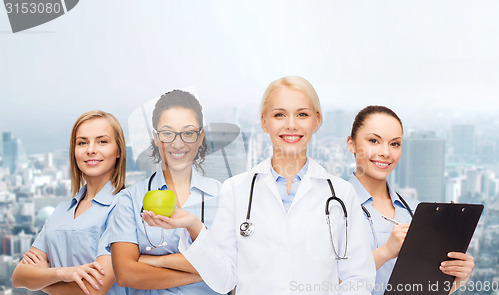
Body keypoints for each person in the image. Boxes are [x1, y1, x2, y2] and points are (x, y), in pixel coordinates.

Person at [142, 76, 376, 295]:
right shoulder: (236, 189)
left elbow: (359, 279)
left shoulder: (341, 194)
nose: (291, 125)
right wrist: (193, 226)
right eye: (279, 115)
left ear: (316, 121)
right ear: (264, 123)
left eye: (302, 115)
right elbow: (224, 280)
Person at [346, 105, 475, 295]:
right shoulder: (331, 208)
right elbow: (320, 283)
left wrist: (456, 279)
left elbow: (424, 288)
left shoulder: (416, 212)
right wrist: (385, 252)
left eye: (395, 144)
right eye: (374, 140)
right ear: (351, 144)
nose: (385, 152)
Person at [108, 90, 223, 294]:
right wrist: (206, 271)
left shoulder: (223, 196)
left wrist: (154, 261)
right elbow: (126, 274)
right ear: (155, 137)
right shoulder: (129, 200)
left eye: (188, 133)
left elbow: (232, 264)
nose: (177, 143)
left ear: (200, 137)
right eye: (167, 133)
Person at [12, 110, 128, 295]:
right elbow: (19, 277)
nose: (90, 149)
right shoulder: (60, 211)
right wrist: (63, 273)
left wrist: (43, 280)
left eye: (102, 141)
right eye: (82, 142)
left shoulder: (124, 208)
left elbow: (95, 287)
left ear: (119, 151)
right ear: (74, 151)